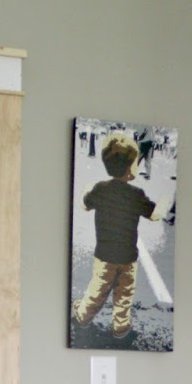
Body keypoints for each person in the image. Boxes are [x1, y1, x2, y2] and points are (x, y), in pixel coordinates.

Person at [72, 134, 169, 339]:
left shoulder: (100, 189)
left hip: (104, 256)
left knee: (96, 291)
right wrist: (165, 202)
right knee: (124, 296)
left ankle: (82, 315)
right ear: (130, 168)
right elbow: (155, 214)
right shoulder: (136, 194)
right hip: (128, 258)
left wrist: (85, 191)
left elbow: (85, 204)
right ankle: (120, 326)